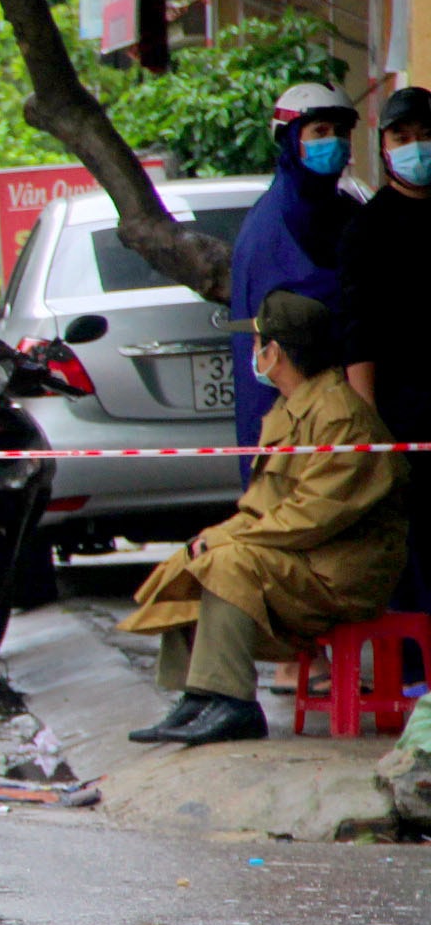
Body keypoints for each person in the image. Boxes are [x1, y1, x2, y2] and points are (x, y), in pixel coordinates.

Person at [122, 290, 409, 747]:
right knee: (199, 555)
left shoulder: (341, 418)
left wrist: (228, 543)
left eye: (257, 343)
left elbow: (311, 516)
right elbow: (262, 506)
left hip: (336, 575)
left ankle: (232, 703)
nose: (253, 354)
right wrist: (215, 536)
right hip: (301, 565)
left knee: (227, 561)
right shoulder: (287, 412)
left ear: (274, 352)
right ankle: (198, 695)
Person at [228, 82, 361, 469]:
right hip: (293, 407)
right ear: (289, 140)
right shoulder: (277, 220)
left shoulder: (340, 208)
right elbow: (307, 305)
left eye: (341, 132)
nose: (333, 142)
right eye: (319, 132)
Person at [338, 84, 431, 609]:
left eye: (425, 134)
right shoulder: (366, 229)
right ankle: (420, 675)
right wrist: (370, 429)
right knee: (413, 550)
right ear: (384, 146)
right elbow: (359, 331)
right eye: (403, 136)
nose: (416, 146)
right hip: (404, 421)